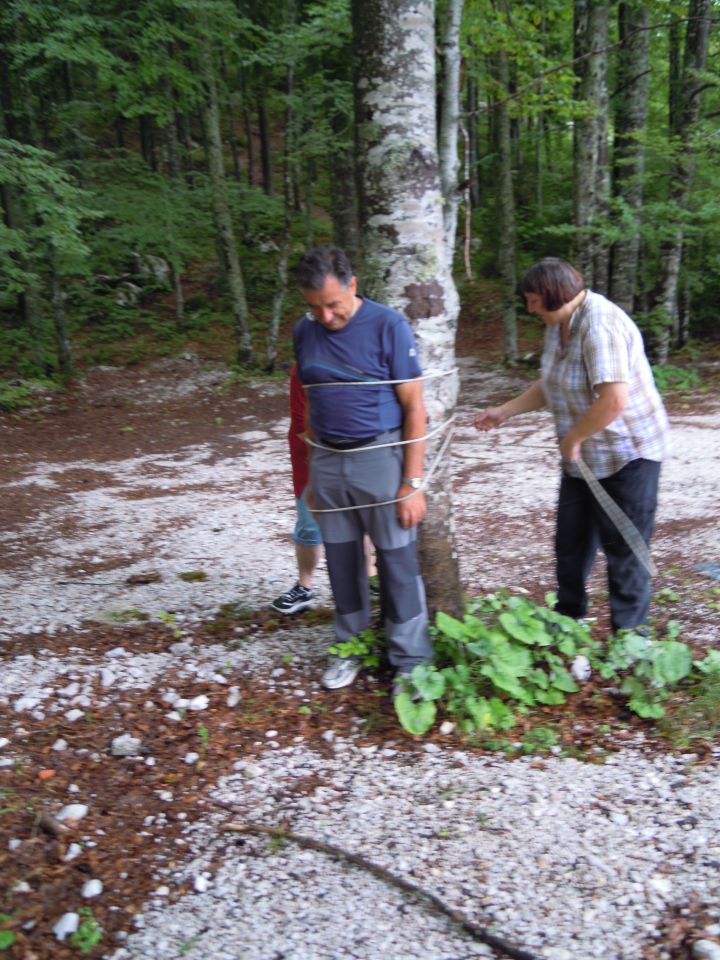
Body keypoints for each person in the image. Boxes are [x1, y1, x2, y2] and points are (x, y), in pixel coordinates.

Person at [474, 257, 670, 634]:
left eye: (533, 300)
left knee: (623, 550)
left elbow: (613, 400)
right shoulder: (558, 322)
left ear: (553, 295)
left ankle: (631, 640)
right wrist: (504, 411)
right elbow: (552, 382)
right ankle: (568, 621)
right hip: (581, 457)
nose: (529, 308)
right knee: (571, 543)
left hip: (627, 454)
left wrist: (574, 437)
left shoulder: (600, 327)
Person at [293, 246, 431, 690]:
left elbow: (415, 406)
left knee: (397, 563)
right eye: (315, 307)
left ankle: (410, 661)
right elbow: (312, 401)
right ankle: (349, 647)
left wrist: (412, 483)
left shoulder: (389, 325)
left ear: (353, 285)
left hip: (381, 455)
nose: (325, 316)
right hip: (329, 460)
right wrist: (315, 474)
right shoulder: (305, 331)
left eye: (333, 304)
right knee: (341, 561)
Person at [270, 362, 323, 615]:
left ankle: (371, 579)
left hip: (355, 454)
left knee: (361, 518)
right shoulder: (305, 364)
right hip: (310, 456)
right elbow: (301, 421)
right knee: (309, 522)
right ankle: (304, 586)